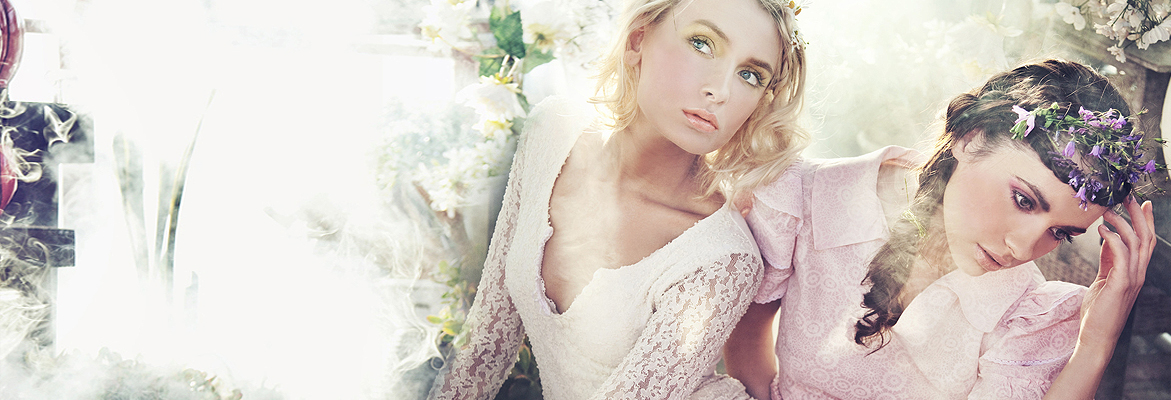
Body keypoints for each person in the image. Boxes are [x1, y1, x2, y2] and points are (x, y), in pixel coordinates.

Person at [427, 0, 807, 398]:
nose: (721, 91)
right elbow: (485, 343)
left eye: (750, 75)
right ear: (637, 41)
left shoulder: (723, 257)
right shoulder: (552, 132)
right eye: (702, 43)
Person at [724, 59, 1161, 399]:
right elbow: (746, 341)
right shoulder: (809, 198)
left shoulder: (1024, 314)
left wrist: (1096, 342)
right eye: (1024, 200)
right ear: (970, 138)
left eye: (1061, 233)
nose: (1023, 247)